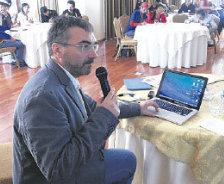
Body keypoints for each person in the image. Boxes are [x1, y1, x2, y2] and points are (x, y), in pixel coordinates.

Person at [13, 16, 158, 183]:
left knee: (124, 158)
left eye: (93, 45)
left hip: (70, 165)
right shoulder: (41, 98)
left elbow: (94, 107)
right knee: (127, 161)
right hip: (55, 177)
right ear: (58, 50)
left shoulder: (62, 76)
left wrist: (139, 108)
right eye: (84, 46)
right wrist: (104, 115)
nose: (94, 54)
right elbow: (58, 171)